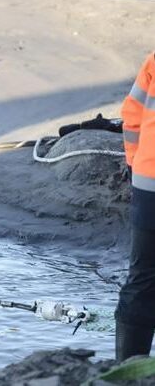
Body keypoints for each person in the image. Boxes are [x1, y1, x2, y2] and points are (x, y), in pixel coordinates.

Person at [115, 52, 155, 361]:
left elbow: (132, 115)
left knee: (142, 277)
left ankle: (126, 370)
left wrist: (134, 162)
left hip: (148, 179)